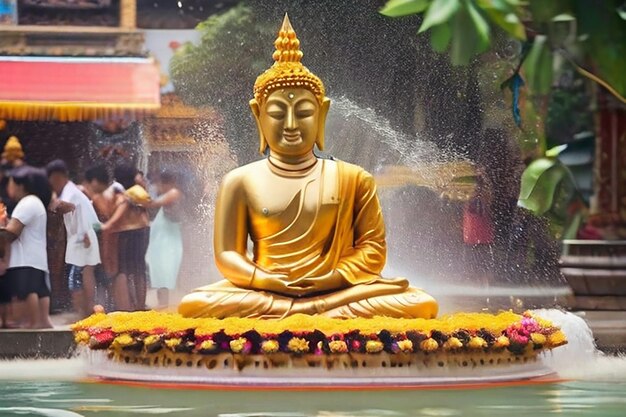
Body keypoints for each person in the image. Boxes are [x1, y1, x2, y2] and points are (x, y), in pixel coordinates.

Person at [178, 16, 438, 319]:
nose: (290, 125)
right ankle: (309, 311)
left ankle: (307, 309)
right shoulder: (239, 181)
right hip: (266, 291)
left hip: (336, 291)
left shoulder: (354, 179)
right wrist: (263, 279)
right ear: (257, 115)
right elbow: (228, 255)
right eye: (277, 113)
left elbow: (373, 251)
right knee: (196, 303)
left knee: (420, 303)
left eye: (303, 113)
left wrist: (333, 278)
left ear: (322, 114)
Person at [47, 160, 101, 317]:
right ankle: (87, 311)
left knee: (75, 277)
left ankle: (83, 312)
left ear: (57, 177)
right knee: (85, 273)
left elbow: (69, 206)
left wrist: (52, 202)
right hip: (82, 236)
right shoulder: (69, 190)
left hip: (83, 237)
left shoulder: (70, 191)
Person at [0, 166, 53, 328]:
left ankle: (34, 324)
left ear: (19, 185)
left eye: (10, 183)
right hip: (35, 258)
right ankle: (42, 323)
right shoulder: (33, 202)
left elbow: (11, 233)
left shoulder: (27, 203)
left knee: (29, 290)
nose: (8, 187)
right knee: (39, 290)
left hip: (26, 259)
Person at [100, 163, 150, 311]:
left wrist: (106, 226)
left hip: (127, 232)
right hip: (143, 231)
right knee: (139, 268)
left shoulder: (119, 192)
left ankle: (129, 306)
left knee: (125, 269)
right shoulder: (138, 191)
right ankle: (140, 305)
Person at [145, 170, 184, 309]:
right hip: (162, 240)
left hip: (168, 240)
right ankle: (163, 302)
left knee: (165, 269)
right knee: (160, 270)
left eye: (159, 184)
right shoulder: (168, 193)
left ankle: (166, 303)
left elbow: (153, 204)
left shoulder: (173, 192)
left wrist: (139, 198)